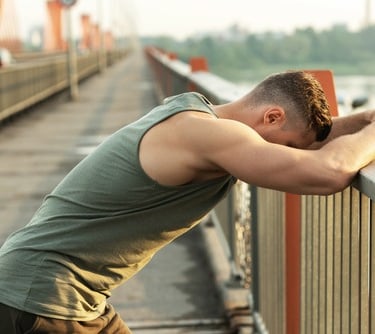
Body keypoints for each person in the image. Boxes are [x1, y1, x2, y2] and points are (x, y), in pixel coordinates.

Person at [0, 70, 375, 333]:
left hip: (57, 292)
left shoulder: (196, 116)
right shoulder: (204, 135)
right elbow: (327, 170)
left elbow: (317, 149)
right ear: (272, 116)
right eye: (290, 147)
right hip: (44, 297)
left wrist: (365, 121)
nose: (290, 157)